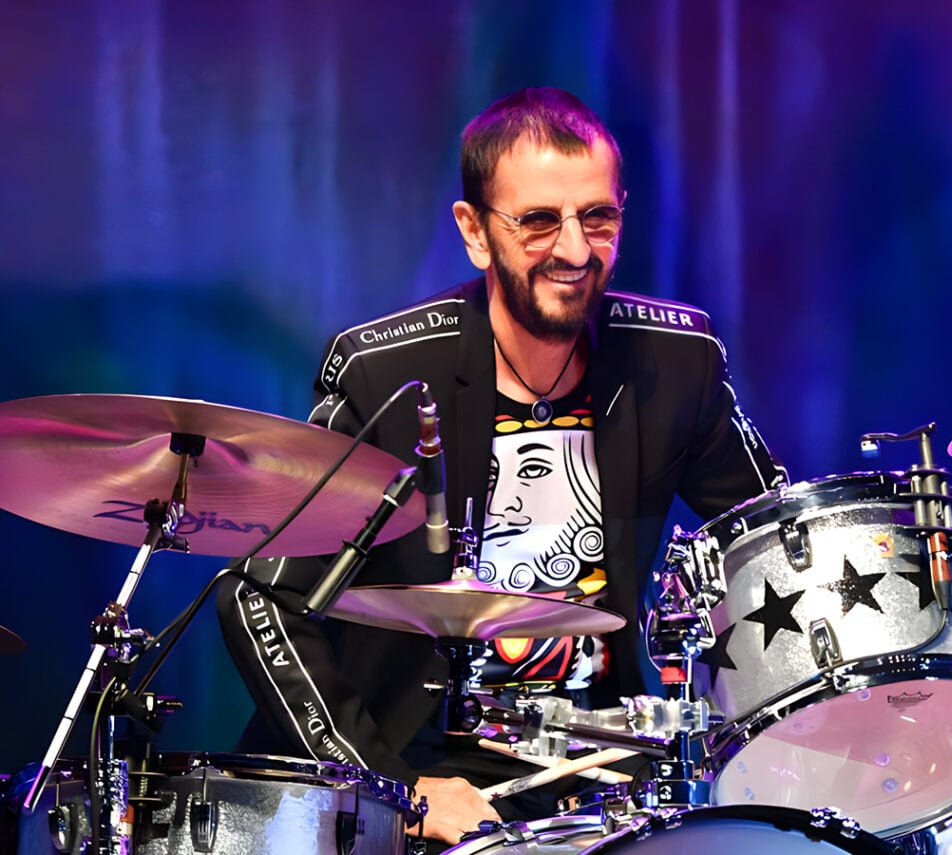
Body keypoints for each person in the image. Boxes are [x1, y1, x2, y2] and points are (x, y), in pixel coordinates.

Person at [215, 86, 787, 848]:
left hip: (595, 785)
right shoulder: (385, 376)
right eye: (540, 221)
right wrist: (392, 790)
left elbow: (776, 545)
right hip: (407, 764)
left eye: (597, 217)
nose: (575, 250)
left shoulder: (677, 361)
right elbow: (259, 600)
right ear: (476, 233)